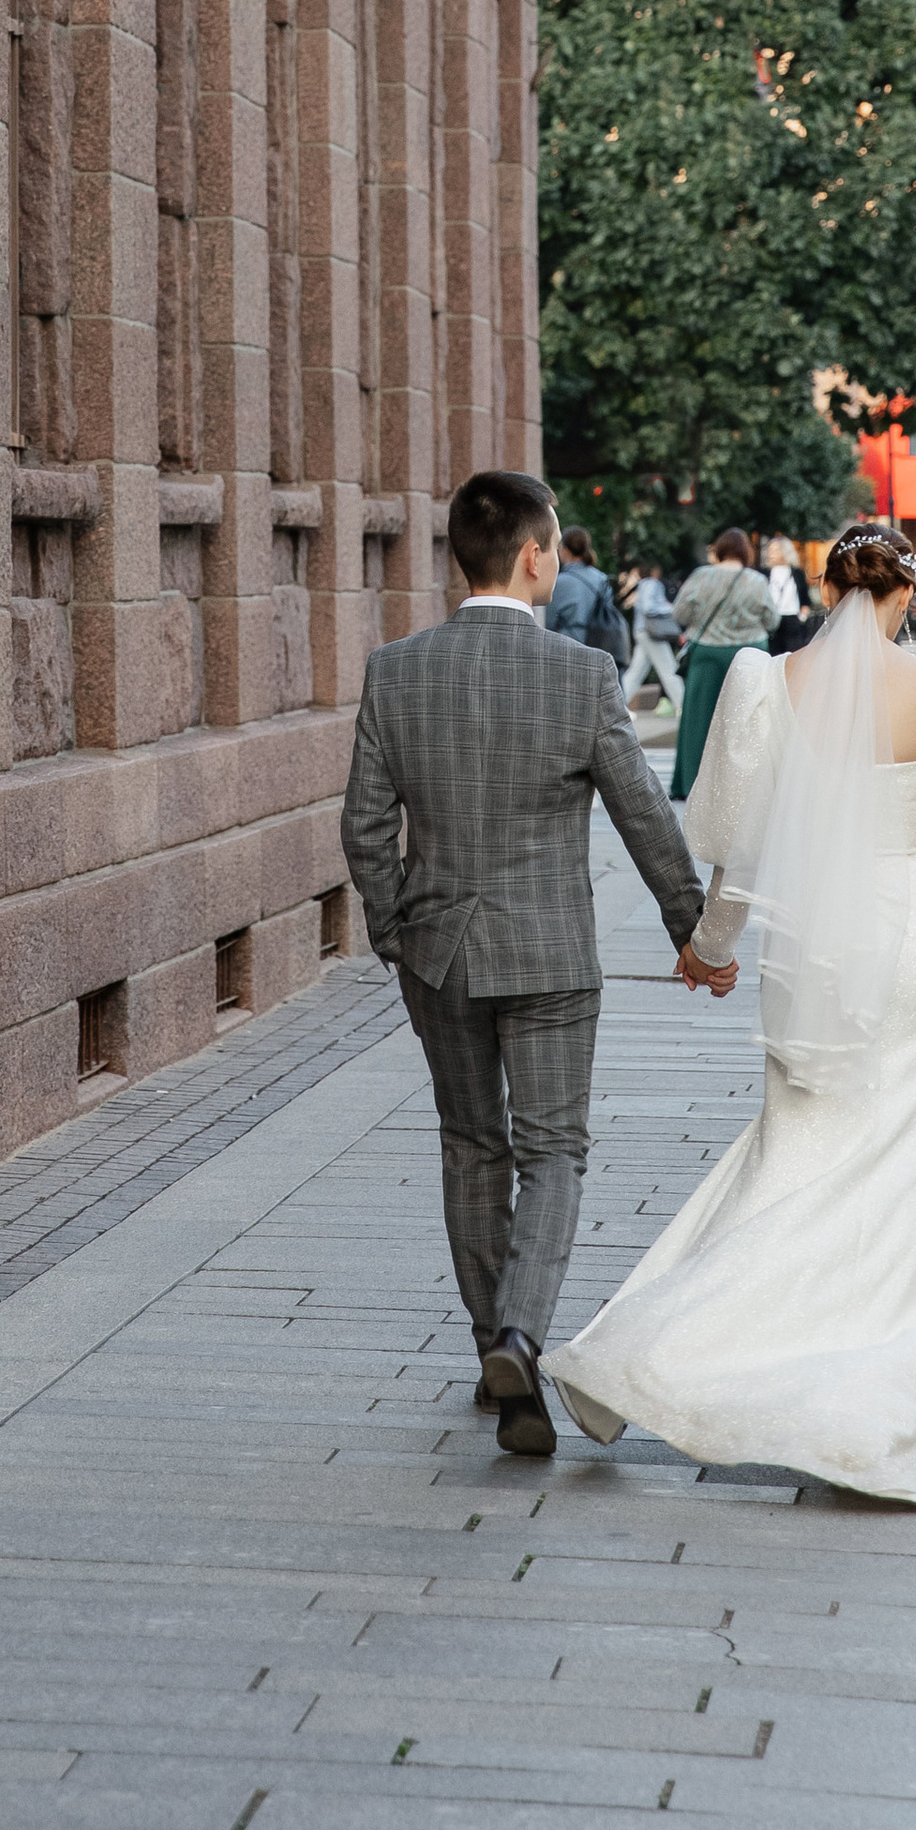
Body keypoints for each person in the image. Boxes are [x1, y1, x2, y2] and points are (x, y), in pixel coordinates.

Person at [545, 521, 916, 1501]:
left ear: (826, 585)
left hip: (809, 948)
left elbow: (741, 850)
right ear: (907, 598)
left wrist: (708, 951)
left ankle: (658, 1351)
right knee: (912, 1147)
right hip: (907, 938)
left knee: (796, 1147)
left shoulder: (769, 684)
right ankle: (880, 1372)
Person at [340, 470, 739, 1463]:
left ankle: (491, 1358)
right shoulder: (581, 674)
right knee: (551, 1150)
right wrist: (693, 931)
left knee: (471, 1146)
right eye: (552, 545)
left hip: (438, 954)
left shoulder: (395, 670)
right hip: (550, 950)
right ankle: (522, 1333)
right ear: (531, 557)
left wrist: (398, 930)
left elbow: (362, 826)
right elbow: (642, 812)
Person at [667, 529, 779, 800]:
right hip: (750, 651)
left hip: (708, 651)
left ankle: (690, 783)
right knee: (747, 719)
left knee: (698, 719)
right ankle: (745, 785)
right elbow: (772, 619)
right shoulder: (756, 581)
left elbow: (679, 612)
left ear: (718, 549)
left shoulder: (702, 576)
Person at [544, 526, 630, 671]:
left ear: (564, 549)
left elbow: (548, 623)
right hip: (600, 647)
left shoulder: (559, 582)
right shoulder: (601, 578)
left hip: (568, 650)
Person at [625, 559, 684, 713]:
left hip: (642, 631)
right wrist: (670, 608)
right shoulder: (652, 583)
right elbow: (649, 607)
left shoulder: (643, 584)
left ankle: (617, 705)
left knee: (636, 673)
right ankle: (683, 706)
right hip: (652, 633)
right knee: (669, 669)